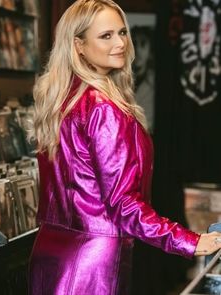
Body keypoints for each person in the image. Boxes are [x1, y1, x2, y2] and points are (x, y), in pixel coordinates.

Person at [28, 1, 221, 294]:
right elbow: (124, 205)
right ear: (78, 45)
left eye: (122, 32)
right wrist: (189, 241)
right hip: (93, 261)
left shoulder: (61, 101)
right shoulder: (103, 108)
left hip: (50, 252)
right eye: (106, 36)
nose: (120, 43)